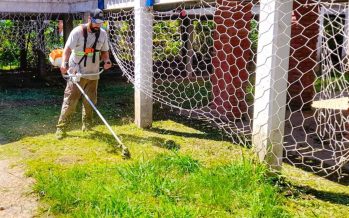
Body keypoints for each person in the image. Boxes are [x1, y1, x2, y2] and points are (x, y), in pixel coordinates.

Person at [56, 8, 112, 140]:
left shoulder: (103, 34)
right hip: (77, 72)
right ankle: (61, 127)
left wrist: (107, 61)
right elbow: (67, 50)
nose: (98, 25)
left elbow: (104, 52)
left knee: (90, 101)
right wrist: (64, 64)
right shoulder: (77, 32)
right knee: (71, 101)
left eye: (100, 22)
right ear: (89, 20)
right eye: (96, 22)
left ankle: (87, 125)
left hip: (93, 73)